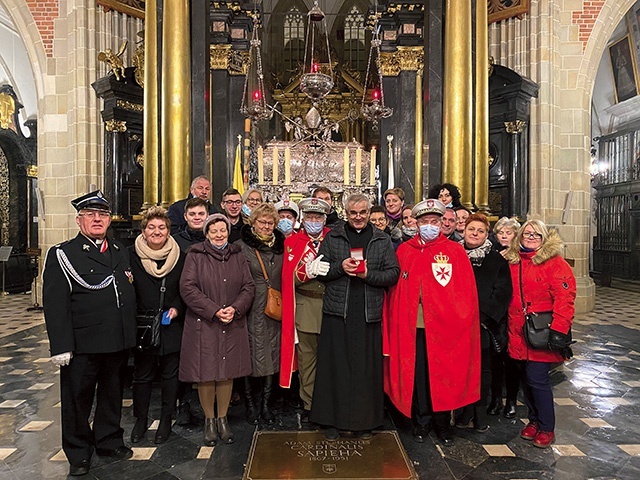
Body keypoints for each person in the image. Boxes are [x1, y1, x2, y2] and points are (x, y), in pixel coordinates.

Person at [43, 190, 136, 476]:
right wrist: (60, 346)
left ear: (109, 220)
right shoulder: (64, 254)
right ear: (78, 220)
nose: (97, 219)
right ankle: (78, 452)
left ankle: (108, 440)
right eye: (90, 215)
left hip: (116, 340)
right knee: (77, 400)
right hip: (83, 343)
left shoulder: (120, 251)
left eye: (103, 215)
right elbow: (55, 303)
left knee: (111, 395)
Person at [383, 198, 480, 446]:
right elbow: (396, 291)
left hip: (446, 328)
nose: (429, 226)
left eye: (434, 222)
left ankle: (442, 423)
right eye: (424, 222)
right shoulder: (405, 251)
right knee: (420, 375)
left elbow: (465, 293)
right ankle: (422, 420)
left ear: (441, 223)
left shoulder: (455, 252)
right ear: (416, 224)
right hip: (413, 326)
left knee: (444, 374)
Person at [311, 194, 399, 440]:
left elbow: (392, 274)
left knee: (365, 370)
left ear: (369, 212)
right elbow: (321, 271)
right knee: (334, 368)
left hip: (368, 313)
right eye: (353, 213)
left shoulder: (382, 239)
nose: (358, 217)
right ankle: (330, 421)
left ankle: (365, 423)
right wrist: (341, 268)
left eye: (362, 212)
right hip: (338, 311)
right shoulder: (333, 236)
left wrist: (368, 274)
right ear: (345, 213)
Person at [179, 214, 255, 445]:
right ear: (206, 233)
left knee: (226, 372)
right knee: (206, 373)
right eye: (214, 231)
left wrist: (235, 308)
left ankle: (223, 419)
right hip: (205, 323)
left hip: (232, 321)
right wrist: (214, 310)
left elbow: (248, 286)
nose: (219, 235)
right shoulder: (195, 255)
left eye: (223, 230)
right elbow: (187, 288)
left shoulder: (237, 254)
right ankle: (209, 421)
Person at [504, 220, 576, 448]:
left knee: (538, 379)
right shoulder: (513, 261)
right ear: (520, 236)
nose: (531, 237)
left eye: (536, 234)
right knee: (526, 380)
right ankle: (534, 420)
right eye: (527, 233)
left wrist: (559, 331)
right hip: (517, 330)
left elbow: (565, 299)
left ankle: (547, 427)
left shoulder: (555, 263)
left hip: (542, 331)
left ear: (544, 237)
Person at [129, 207, 185, 444]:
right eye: (151, 227)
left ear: (168, 230)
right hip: (143, 325)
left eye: (161, 227)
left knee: (170, 375)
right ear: (144, 230)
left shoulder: (180, 255)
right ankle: (140, 419)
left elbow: (186, 287)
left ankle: (165, 419)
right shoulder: (130, 255)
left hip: (171, 323)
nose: (157, 231)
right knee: (142, 376)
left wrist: (176, 307)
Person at [454, 213, 512, 433]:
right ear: (464, 231)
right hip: (457, 325)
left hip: (484, 325)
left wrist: (481, 316)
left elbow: (502, 293)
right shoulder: (454, 255)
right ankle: (464, 411)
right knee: (461, 370)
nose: (475, 234)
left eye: (480, 231)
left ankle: (479, 413)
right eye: (471, 229)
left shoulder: (496, 259)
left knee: (482, 370)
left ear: (486, 234)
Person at [280, 197, 332, 424]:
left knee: (331, 361)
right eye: (309, 217)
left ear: (324, 219)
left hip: (332, 307)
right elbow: (286, 279)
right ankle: (310, 403)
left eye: (318, 217)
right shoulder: (292, 242)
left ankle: (331, 402)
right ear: (302, 218)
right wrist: (306, 272)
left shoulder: (334, 238)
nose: (314, 221)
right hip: (305, 308)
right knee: (308, 361)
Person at [237, 203, 285, 425]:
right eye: (262, 222)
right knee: (248, 355)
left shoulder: (282, 247)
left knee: (272, 355)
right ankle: (250, 404)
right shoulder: (240, 247)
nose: (266, 226)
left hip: (274, 309)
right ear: (252, 222)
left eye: (270, 223)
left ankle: (266, 404)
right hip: (249, 308)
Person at [488, 216, 522, 417]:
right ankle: (495, 399)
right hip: (498, 315)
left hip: (515, 313)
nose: (504, 236)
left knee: (512, 361)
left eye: (508, 233)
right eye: (501, 232)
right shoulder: (492, 254)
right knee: (496, 359)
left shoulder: (520, 256)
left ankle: (511, 400)